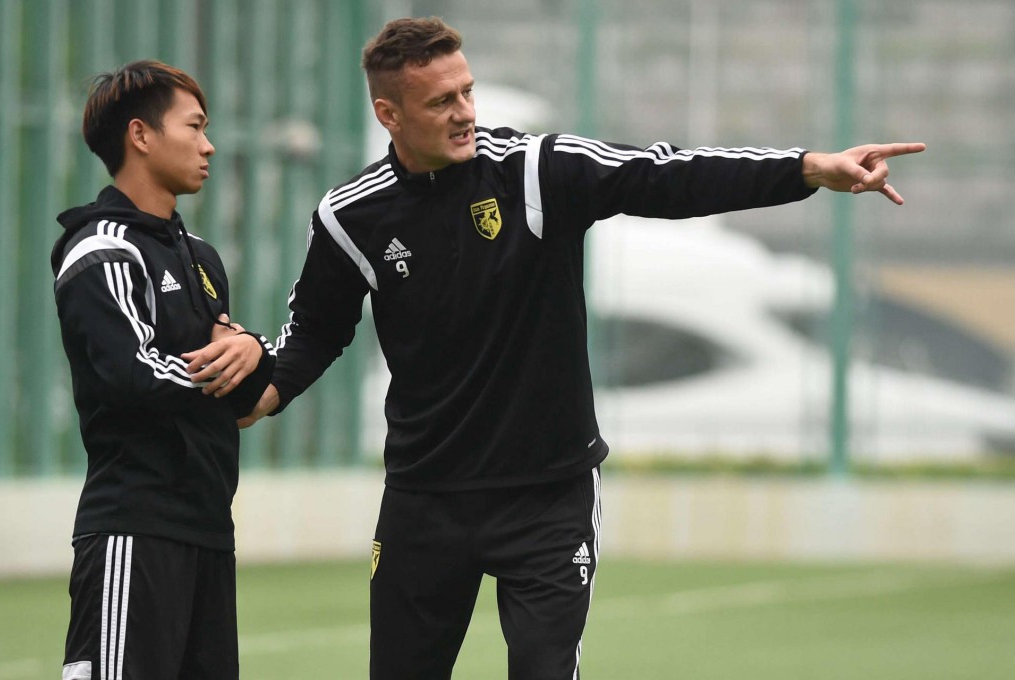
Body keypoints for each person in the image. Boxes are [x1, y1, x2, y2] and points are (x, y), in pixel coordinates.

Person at [241, 16, 925, 679]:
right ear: (390, 116)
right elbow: (316, 330)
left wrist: (806, 168)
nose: (463, 112)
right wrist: (265, 390)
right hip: (426, 499)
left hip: (548, 496)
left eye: (468, 92)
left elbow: (667, 175)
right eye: (441, 101)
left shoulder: (536, 171)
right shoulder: (350, 215)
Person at [51, 60, 275, 680]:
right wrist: (232, 360)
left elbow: (245, 387)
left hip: (208, 531)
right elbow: (133, 372)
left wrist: (252, 349)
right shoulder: (102, 248)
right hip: (134, 531)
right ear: (141, 136)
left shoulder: (200, 257)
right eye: (195, 126)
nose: (208, 145)